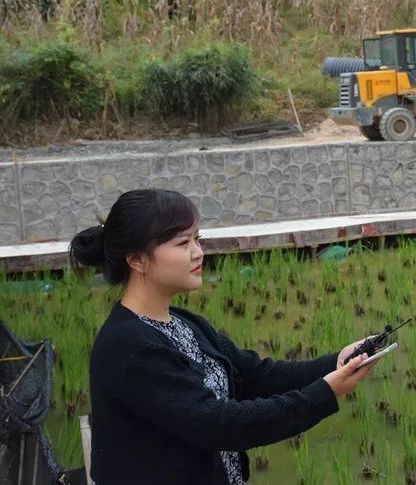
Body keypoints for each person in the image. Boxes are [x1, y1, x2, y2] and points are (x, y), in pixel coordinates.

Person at [69, 189, 378, 484]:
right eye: (182, 244)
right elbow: (218, 424)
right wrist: (324, 393)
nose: (198, 253)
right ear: (136, 260)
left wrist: (334, 364)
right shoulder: (130, 347)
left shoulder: (184, 323)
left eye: (197, 239)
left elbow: (255, 376)